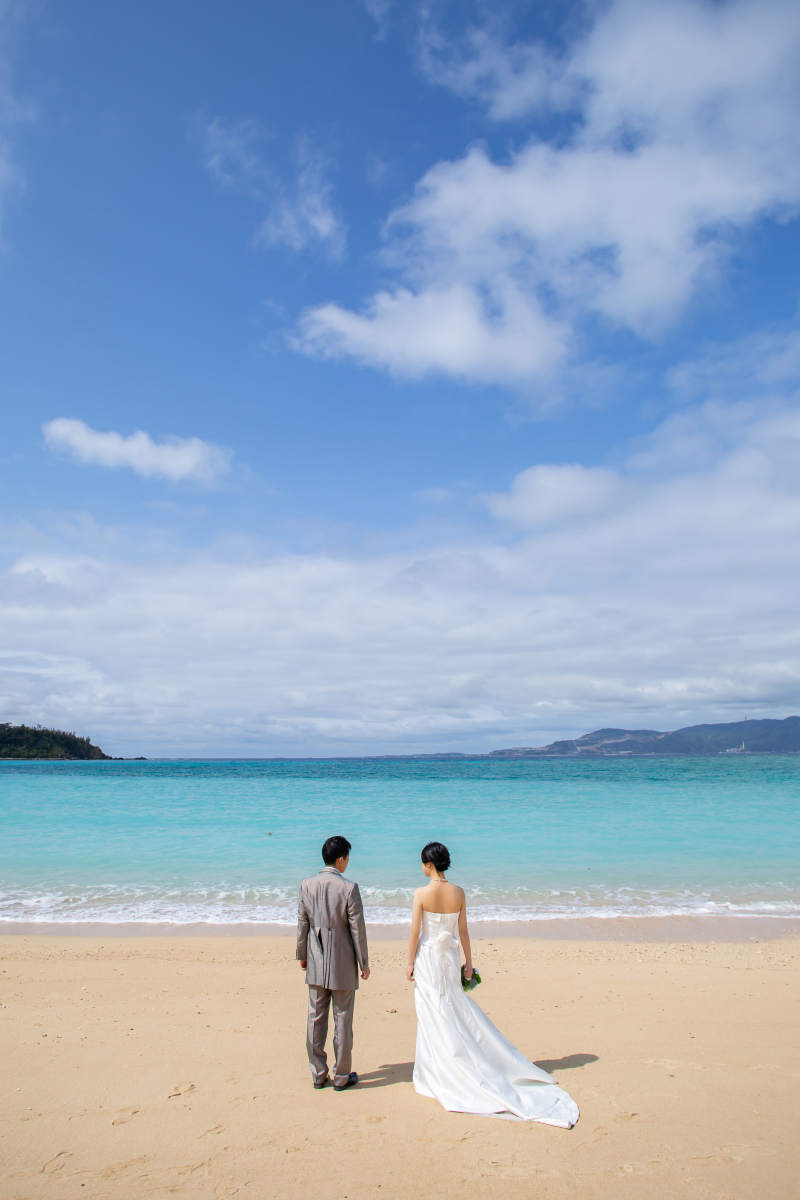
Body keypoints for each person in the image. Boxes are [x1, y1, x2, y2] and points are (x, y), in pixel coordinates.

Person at [405, 841, 579, 1126]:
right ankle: (443, 1065)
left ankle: (435, 1070)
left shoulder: (421, 893)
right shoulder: (458, 892)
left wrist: (410, 962)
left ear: (429, 864)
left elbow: (415, 933)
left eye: (423, 863)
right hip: (449, 958)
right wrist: (469, 963)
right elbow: (463, 931)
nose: (422, 867)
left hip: (428, 959)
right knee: (453, 1005)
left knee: (432, 1010)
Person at [297, 835, 370, 1091]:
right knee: (342, 1018)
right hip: (342, 961)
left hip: (315, 958)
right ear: (341, 859)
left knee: (315, 1018)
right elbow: (357, 930)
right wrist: (364, 962)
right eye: (347, 857)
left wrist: (302, 954)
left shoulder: (306, 884)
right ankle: (341, 1076)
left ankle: (318, 1074)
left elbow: (303, 923)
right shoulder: (349, 888)